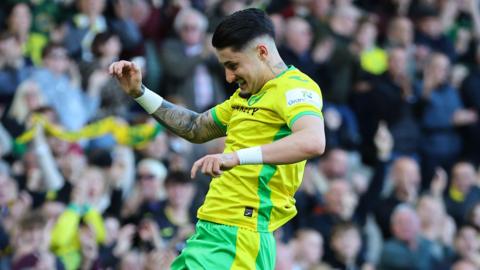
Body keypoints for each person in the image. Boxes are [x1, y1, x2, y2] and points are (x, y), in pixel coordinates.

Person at [109, 8, 326, 270]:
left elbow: (313, 141)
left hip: (242, 234)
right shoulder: (245, 97)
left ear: (262, 52)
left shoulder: (295, 88)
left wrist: (235, 157)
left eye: (233, 65)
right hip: (210, 230)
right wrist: (140, 93)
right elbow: (194, 127)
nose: (229, 77)